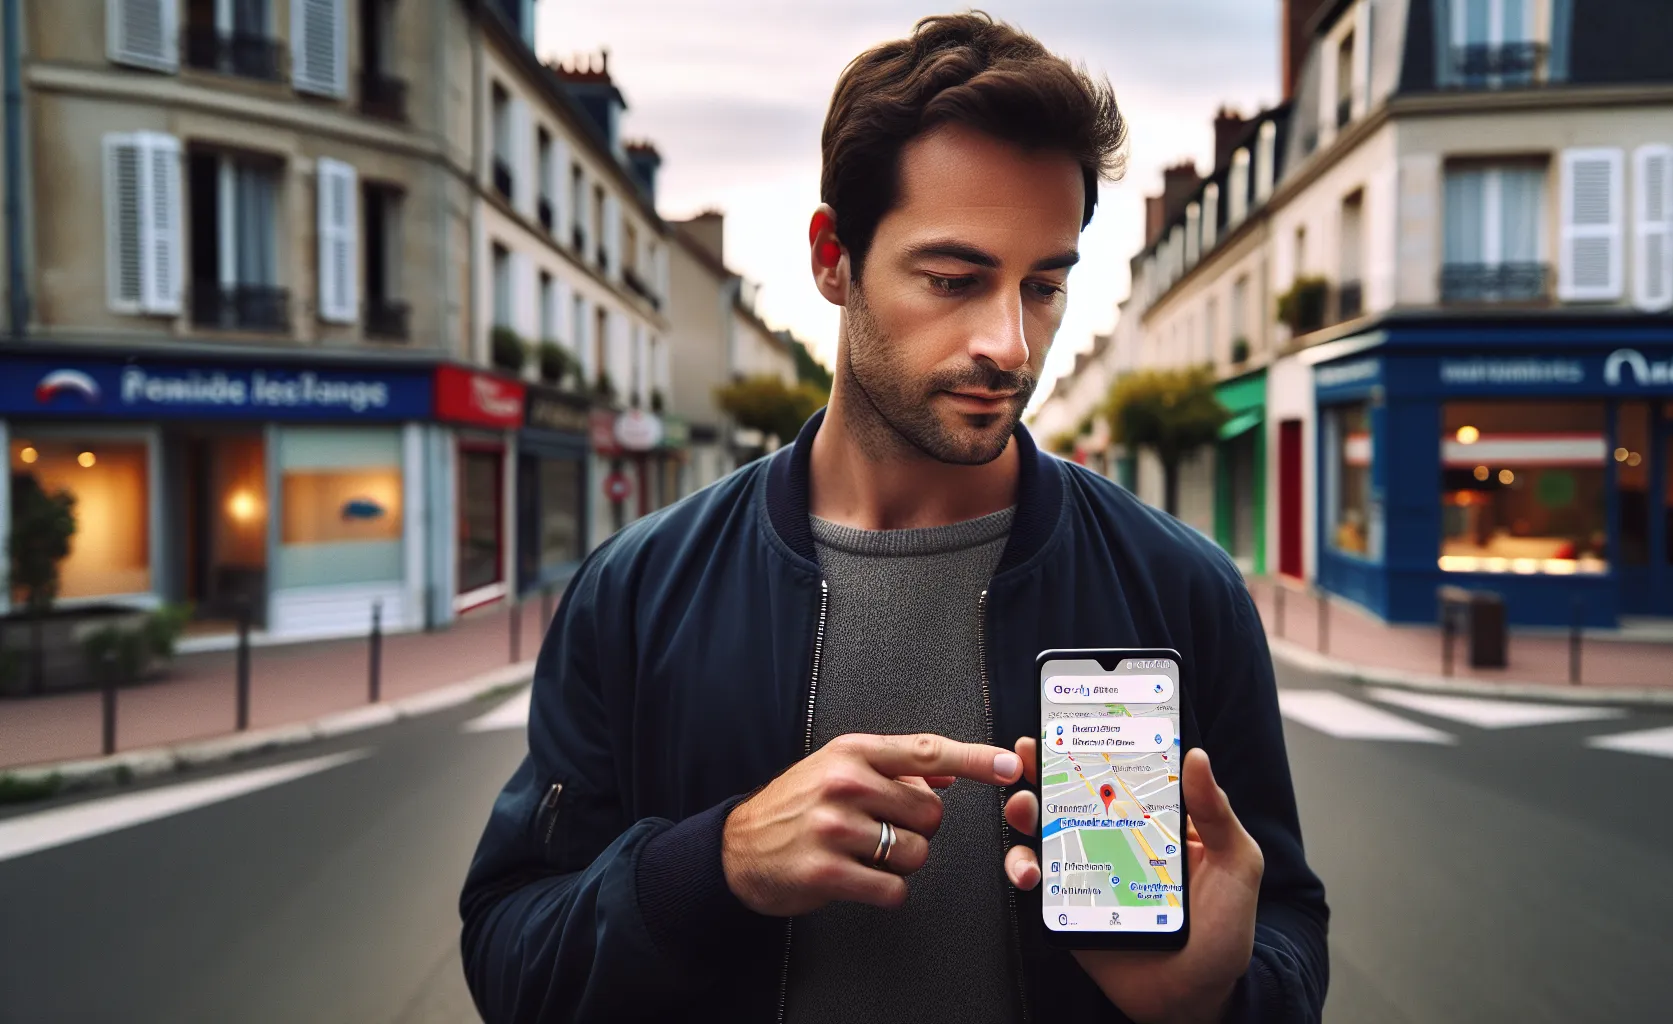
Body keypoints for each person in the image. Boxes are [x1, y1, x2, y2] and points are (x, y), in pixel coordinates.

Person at [460, 13, 1328, 1022]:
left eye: (1044, 285)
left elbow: (1286, 930)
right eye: (955, 280)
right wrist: (716, 864)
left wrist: (1216, 1001)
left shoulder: (1183, 589)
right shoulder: (639, 589)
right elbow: (511, 952)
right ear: (834, 257)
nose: (1009, 342)